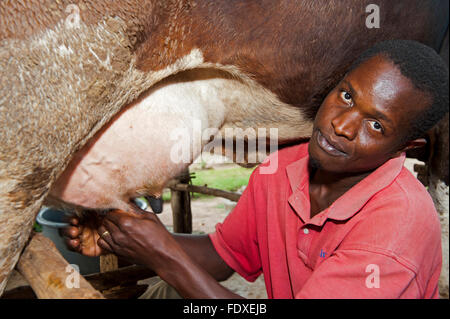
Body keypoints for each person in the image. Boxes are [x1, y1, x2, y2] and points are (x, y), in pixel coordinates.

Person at [62, 39, 449, 299]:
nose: (342, 125)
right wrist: (134, 234)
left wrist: (166, 257)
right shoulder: (283, 167)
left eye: (376, 125)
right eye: (346, 95)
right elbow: (223, 255)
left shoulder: (398, 228)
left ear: (406, 147)